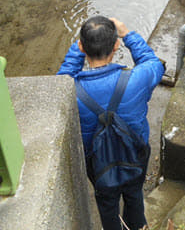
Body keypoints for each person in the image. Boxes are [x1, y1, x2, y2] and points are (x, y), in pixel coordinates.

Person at [58, 15, 164, 230]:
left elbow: (58, 82)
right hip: (135, 153)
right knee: (134, 194)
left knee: (107, 204)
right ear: (116, 45)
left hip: (97, 162)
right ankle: (137, 227)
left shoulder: (70, 91)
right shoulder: (137, 79)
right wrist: (128, 35)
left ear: (81, 47)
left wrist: (79, 48)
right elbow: (153, 63)